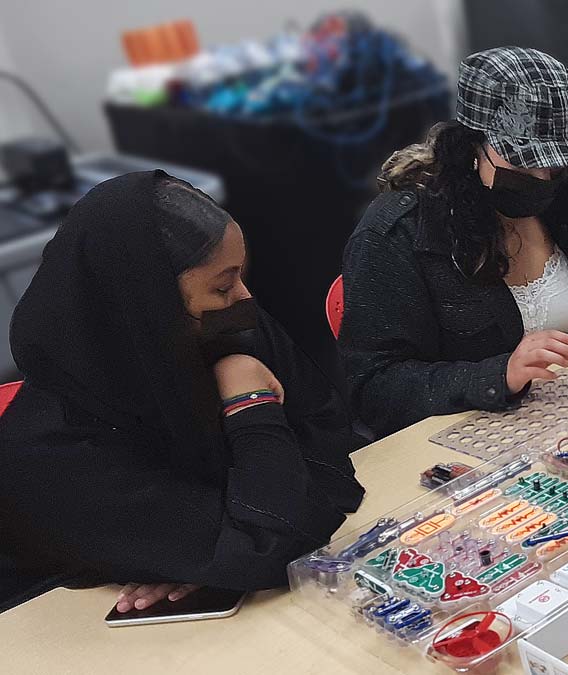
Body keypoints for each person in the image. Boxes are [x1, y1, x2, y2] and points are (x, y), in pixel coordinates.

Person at [0, 172, 366, 613]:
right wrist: (249, 404)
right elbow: (274, 540)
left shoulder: (224, 327)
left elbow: (331, 448)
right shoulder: (46, 451)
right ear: (145, 305)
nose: (244, 297)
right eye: (222, 285)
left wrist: (220, 549)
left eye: (238, 277)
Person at [340, 47, 568, 436]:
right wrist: (499, 374)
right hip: (466, 441)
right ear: (470, 145)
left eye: (553, 161)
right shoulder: (399, 232)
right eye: (522, 161)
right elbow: (375, 387)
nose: (540, 177)